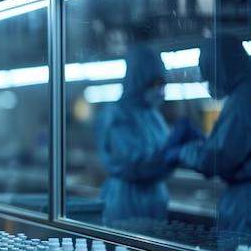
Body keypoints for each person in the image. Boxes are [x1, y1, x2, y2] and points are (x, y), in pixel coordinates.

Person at [96, 45, 193, 223]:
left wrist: (179, 149)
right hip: (125, 199)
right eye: (155, 83)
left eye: (163, 83)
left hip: (156, 197)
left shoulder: (153, 114)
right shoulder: (117, 113)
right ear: (138, 79)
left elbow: (160, 155)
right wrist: (170, 151)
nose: (160, 90)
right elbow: (133, 163)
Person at [166, 33, 251, 234]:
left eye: (209, 75)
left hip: (245, 204)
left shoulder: (241, 101)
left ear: (220, 69)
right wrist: (204, 143)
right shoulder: (243, 96)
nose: (207, 83)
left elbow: (218, 157)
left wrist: (184, 152)